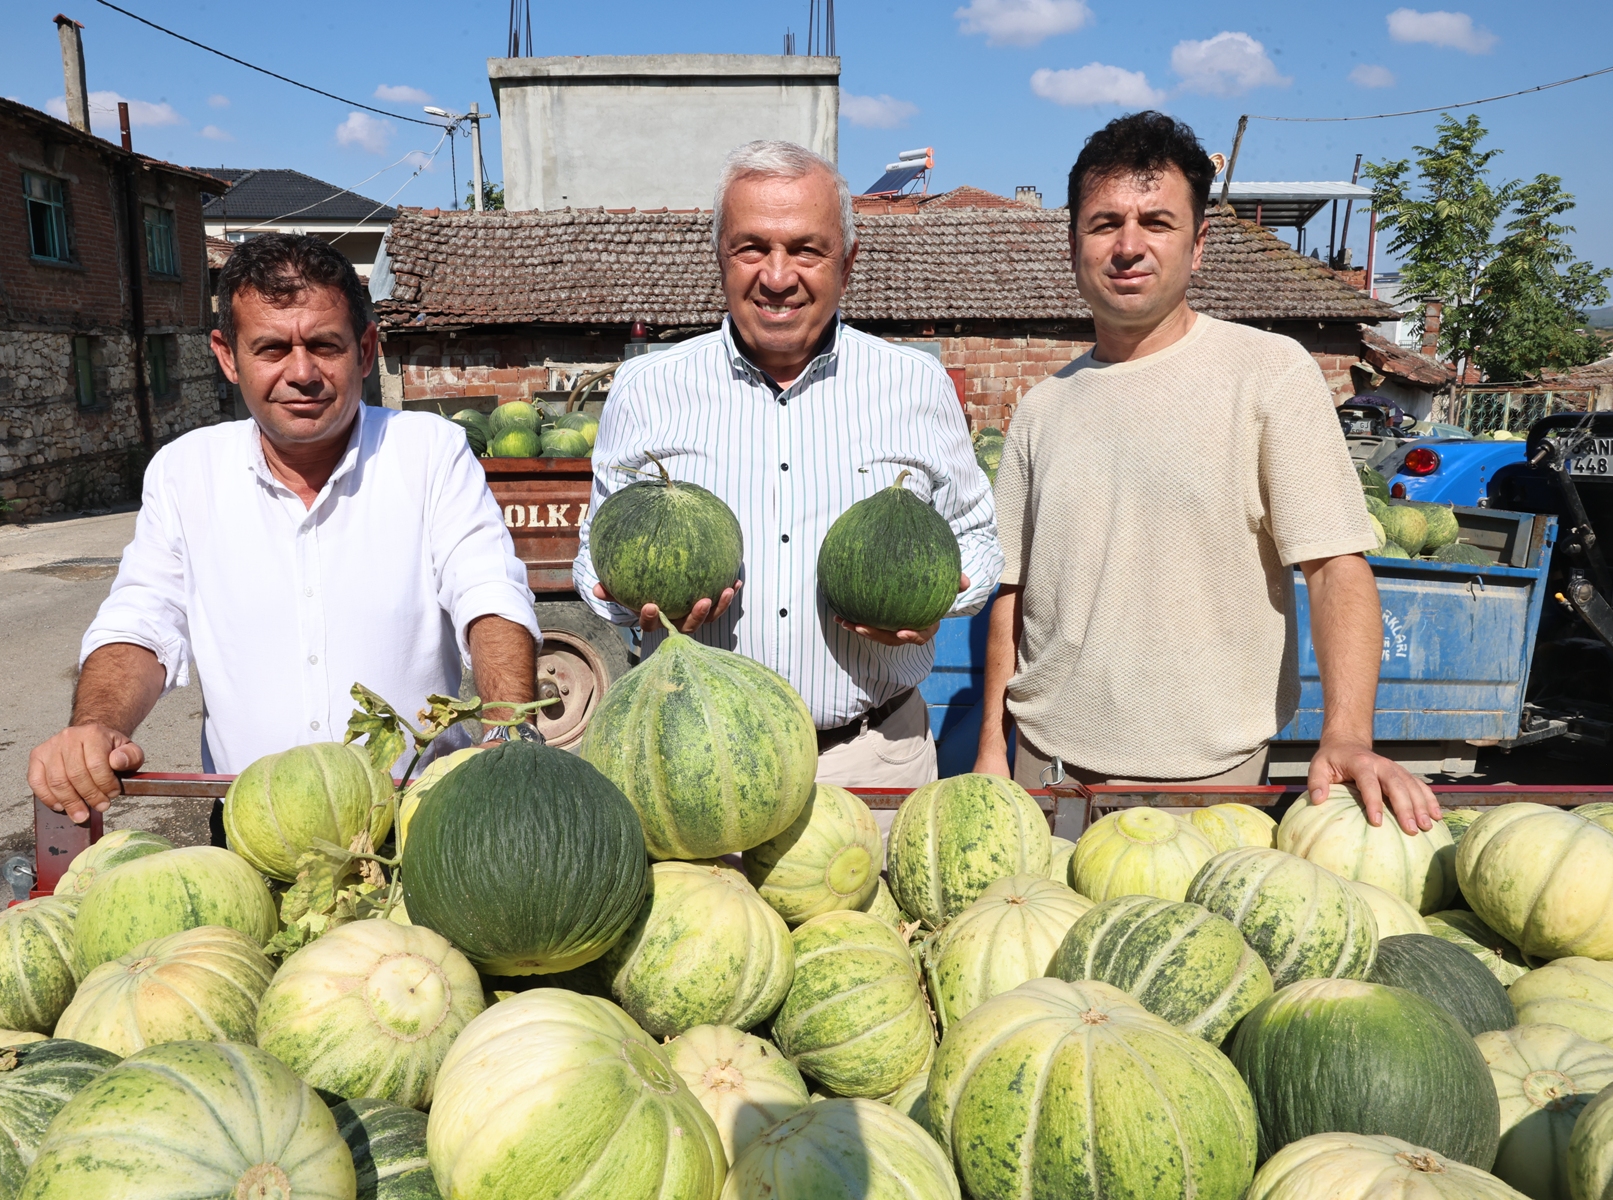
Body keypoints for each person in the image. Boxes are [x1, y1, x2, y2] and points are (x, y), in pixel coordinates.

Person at [972, 111, 1440, 833]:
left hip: (1206, 785)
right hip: (1047, 772)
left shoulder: (1267, 374)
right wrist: (990, 752)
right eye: (1104, 224)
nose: (1129, 246)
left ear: (1198, 247)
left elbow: (1336, 570)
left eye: (1156, 222)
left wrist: (1347, 734)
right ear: (1073, 247)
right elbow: (1011, 592)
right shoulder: (1042, 406)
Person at [28, 234, 539, 823]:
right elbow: (144, 619)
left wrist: (508, 731)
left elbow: (488, 592)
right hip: (253, 829)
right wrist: (96, 726)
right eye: (271, 349)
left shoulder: (429, 452)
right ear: (227, 356)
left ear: (366, 350)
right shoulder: (185, 472)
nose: (302, 373)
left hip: (422, 826)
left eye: (324, 345)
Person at [572, 140, 1003, 787]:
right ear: (720, 257)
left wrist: (933, 602)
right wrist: (627, 603)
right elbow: (595, 552)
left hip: (868, 758)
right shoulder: (645, 389)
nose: (778, 276)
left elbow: (978, 540)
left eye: (806, 249)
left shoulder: (916, 385)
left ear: (847, 262)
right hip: (693, 759)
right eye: (753, 247)